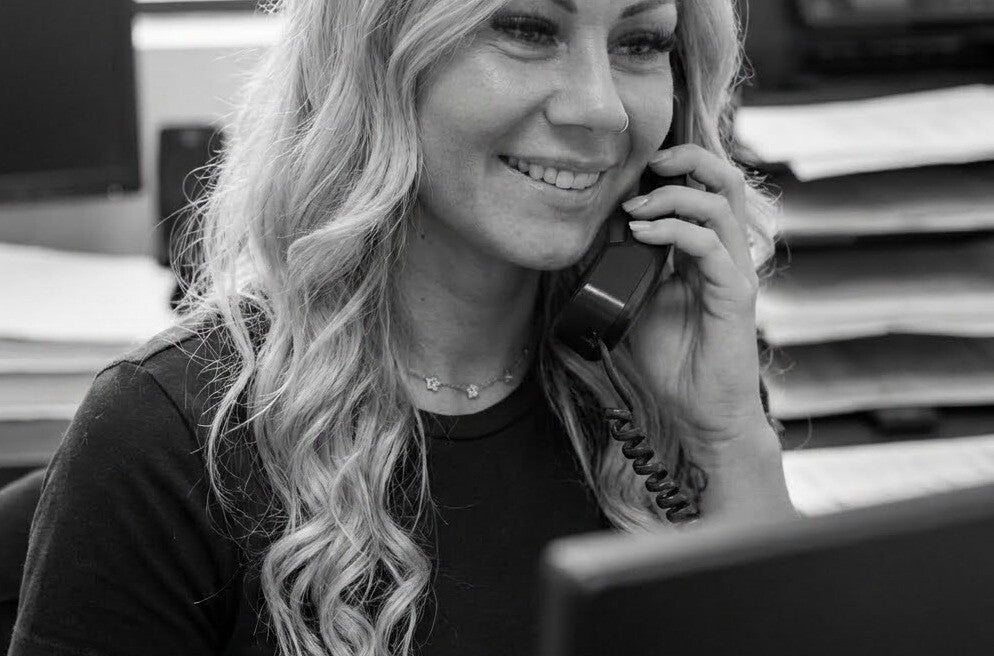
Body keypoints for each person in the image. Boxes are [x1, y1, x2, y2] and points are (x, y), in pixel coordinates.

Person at [10, 0, 796, 655]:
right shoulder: (166, 435)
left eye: (641, 43)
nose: (601, 109)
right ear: (376, 59)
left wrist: (728, 437)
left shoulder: (673, 387)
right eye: (526, 28)